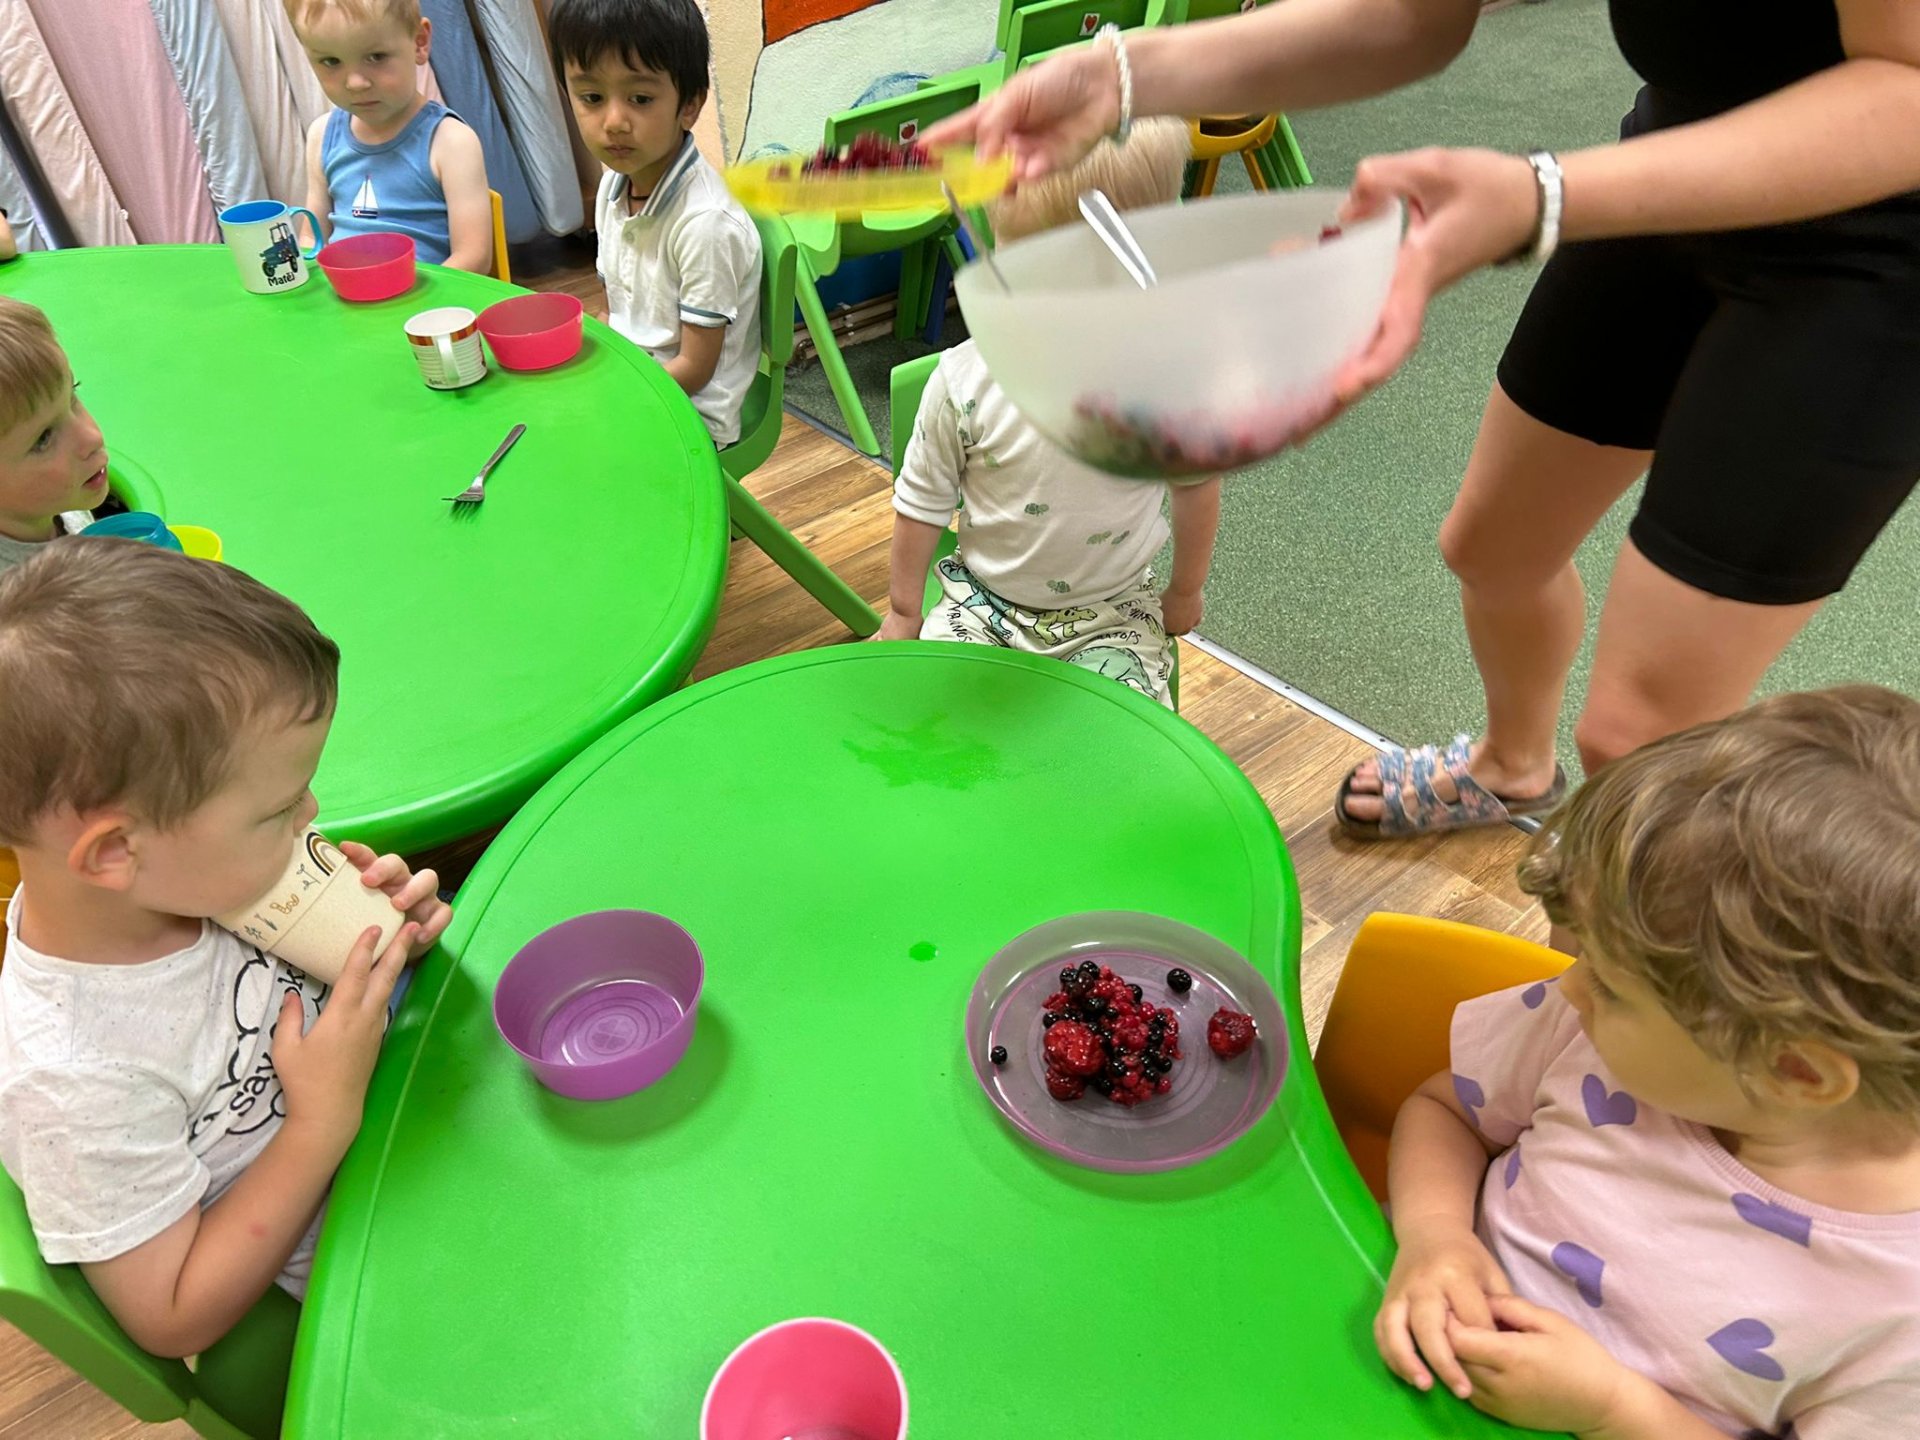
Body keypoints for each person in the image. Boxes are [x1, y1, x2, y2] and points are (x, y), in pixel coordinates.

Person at [932, 2, 1920, 835]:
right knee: (1492, 548)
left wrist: (1540, 196)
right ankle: (1512, 765)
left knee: (1636, 735)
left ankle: (1617, 980)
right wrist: (1123, 75)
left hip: (1878, 254)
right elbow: (1412, 15)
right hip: (1675, 163)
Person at [1376, 685, 1920, 1437]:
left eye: (1611, 985)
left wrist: (1611, 1408)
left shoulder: (1897, 1306)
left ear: (1796, 1072)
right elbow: (1447, 1110)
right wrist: (1436, 1237)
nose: (1571, 986)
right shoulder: (1589, 1032)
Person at [0, 540, 452, 1357]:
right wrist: (320, 1117)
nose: (310, 813)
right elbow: (171, 1316)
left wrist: (389, 936)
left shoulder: (184, 877)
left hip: (428, 1105)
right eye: (277, 811)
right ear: (115, 852)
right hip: (391, 1260)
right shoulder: (75, 1079)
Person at [878, 119, 1217, 708]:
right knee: (932, 720)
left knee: (1127, 739)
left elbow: (1196, 487)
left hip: (1112, 615)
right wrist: (904, 610)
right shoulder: (964, 381)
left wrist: (1185, 589)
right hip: (981, 606)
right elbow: (921, 502)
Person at [550, 0, 762, 447]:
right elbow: (613, 311)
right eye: (592, 98)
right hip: (637, 379)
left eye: (640, 99)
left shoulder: (705, 224)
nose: (614, 122)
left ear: (689, 105)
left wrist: (611, 394)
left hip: (691, 414)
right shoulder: (614, 186)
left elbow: (695, 369)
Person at [289, 0, 494, 273]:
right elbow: (311, 238)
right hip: (343, 295)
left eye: (376, 57)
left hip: (429, 297)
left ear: (419, 42)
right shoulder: (322, 134)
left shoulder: (451, 141)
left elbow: (475, 258)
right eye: (331, 61)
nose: (356, 83)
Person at [0, 298, 110, 576]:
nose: (92, 438)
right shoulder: (17, 594)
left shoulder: (58, 502)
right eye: (43, 439)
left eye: (73, 395)